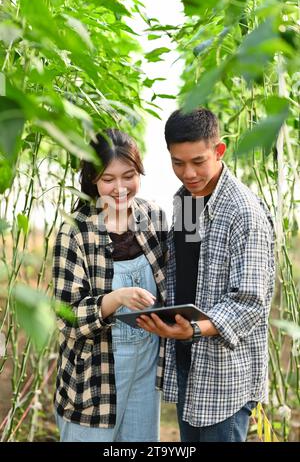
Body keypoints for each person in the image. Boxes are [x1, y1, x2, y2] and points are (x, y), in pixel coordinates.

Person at [137, 108, 275, 442]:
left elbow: (250, 303)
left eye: (198, 161)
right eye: (177, 162)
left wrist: (196, 329)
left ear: (219, 151)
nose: (188, 173)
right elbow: (182, 271)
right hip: (189, 359)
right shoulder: (185, 202)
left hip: (224, 374)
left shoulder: (243, 212)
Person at [52, 129, 167, 442]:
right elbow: (67, 317)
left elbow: (169, 284)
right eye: (108, 179)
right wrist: (115, 299)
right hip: (94, 373)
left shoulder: (153, 217)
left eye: (129, 176)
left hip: (145, 368)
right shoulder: (75, 232)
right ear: (92, 180)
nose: (120, 188)